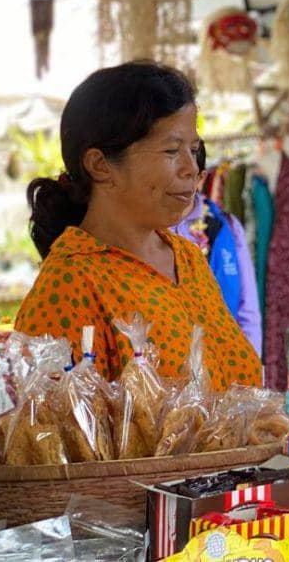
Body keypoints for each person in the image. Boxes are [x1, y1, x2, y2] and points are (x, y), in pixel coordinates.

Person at [16, 62, 262, 391]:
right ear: (100, 165)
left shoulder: (187, 258)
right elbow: (54, 433)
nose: (192, 168)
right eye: (172, 150)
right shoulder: (69, 285)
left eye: (194, 150)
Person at [171, 142, 262, 357]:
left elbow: (247, 311)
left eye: (185, 176)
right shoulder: (148, 230)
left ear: (201, 179)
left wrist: (251, 367)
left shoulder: (226, 227)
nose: (174, 184)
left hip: (223, 359)